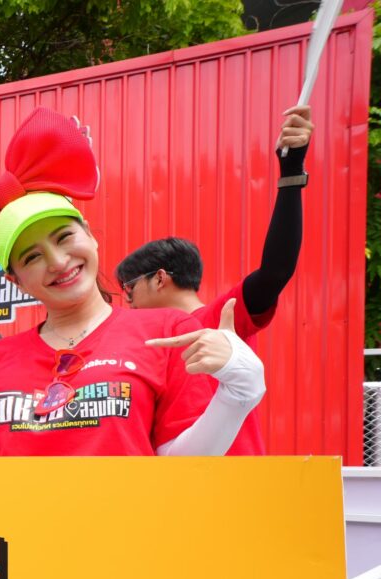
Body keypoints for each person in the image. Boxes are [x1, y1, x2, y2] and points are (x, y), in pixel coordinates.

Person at [0, 107, 265, 456]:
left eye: (64, 237)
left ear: (90, 235)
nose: (57, 261)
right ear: (15, 281)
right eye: (32, 257)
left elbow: (182, 465)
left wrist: (237, 396)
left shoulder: (167, 332)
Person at [115, 105, 313, 454]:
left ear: (159, 279)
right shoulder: (143, 344)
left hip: (229, 479)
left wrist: (291, 173)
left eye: (129, 288)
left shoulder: (221, 318)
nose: (126, 301)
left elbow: (276, 271)